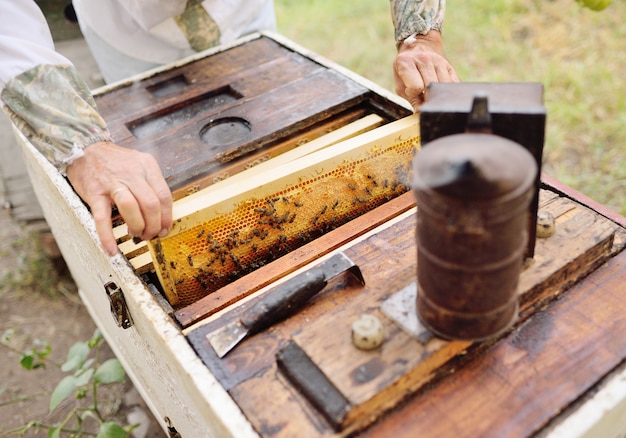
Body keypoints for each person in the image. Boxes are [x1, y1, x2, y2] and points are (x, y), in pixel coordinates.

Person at [0, 0, 458, 257]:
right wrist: (81, 144)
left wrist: (419, 35)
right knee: (169, 172)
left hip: (242, 14)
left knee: (278, 137)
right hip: (126, 28)